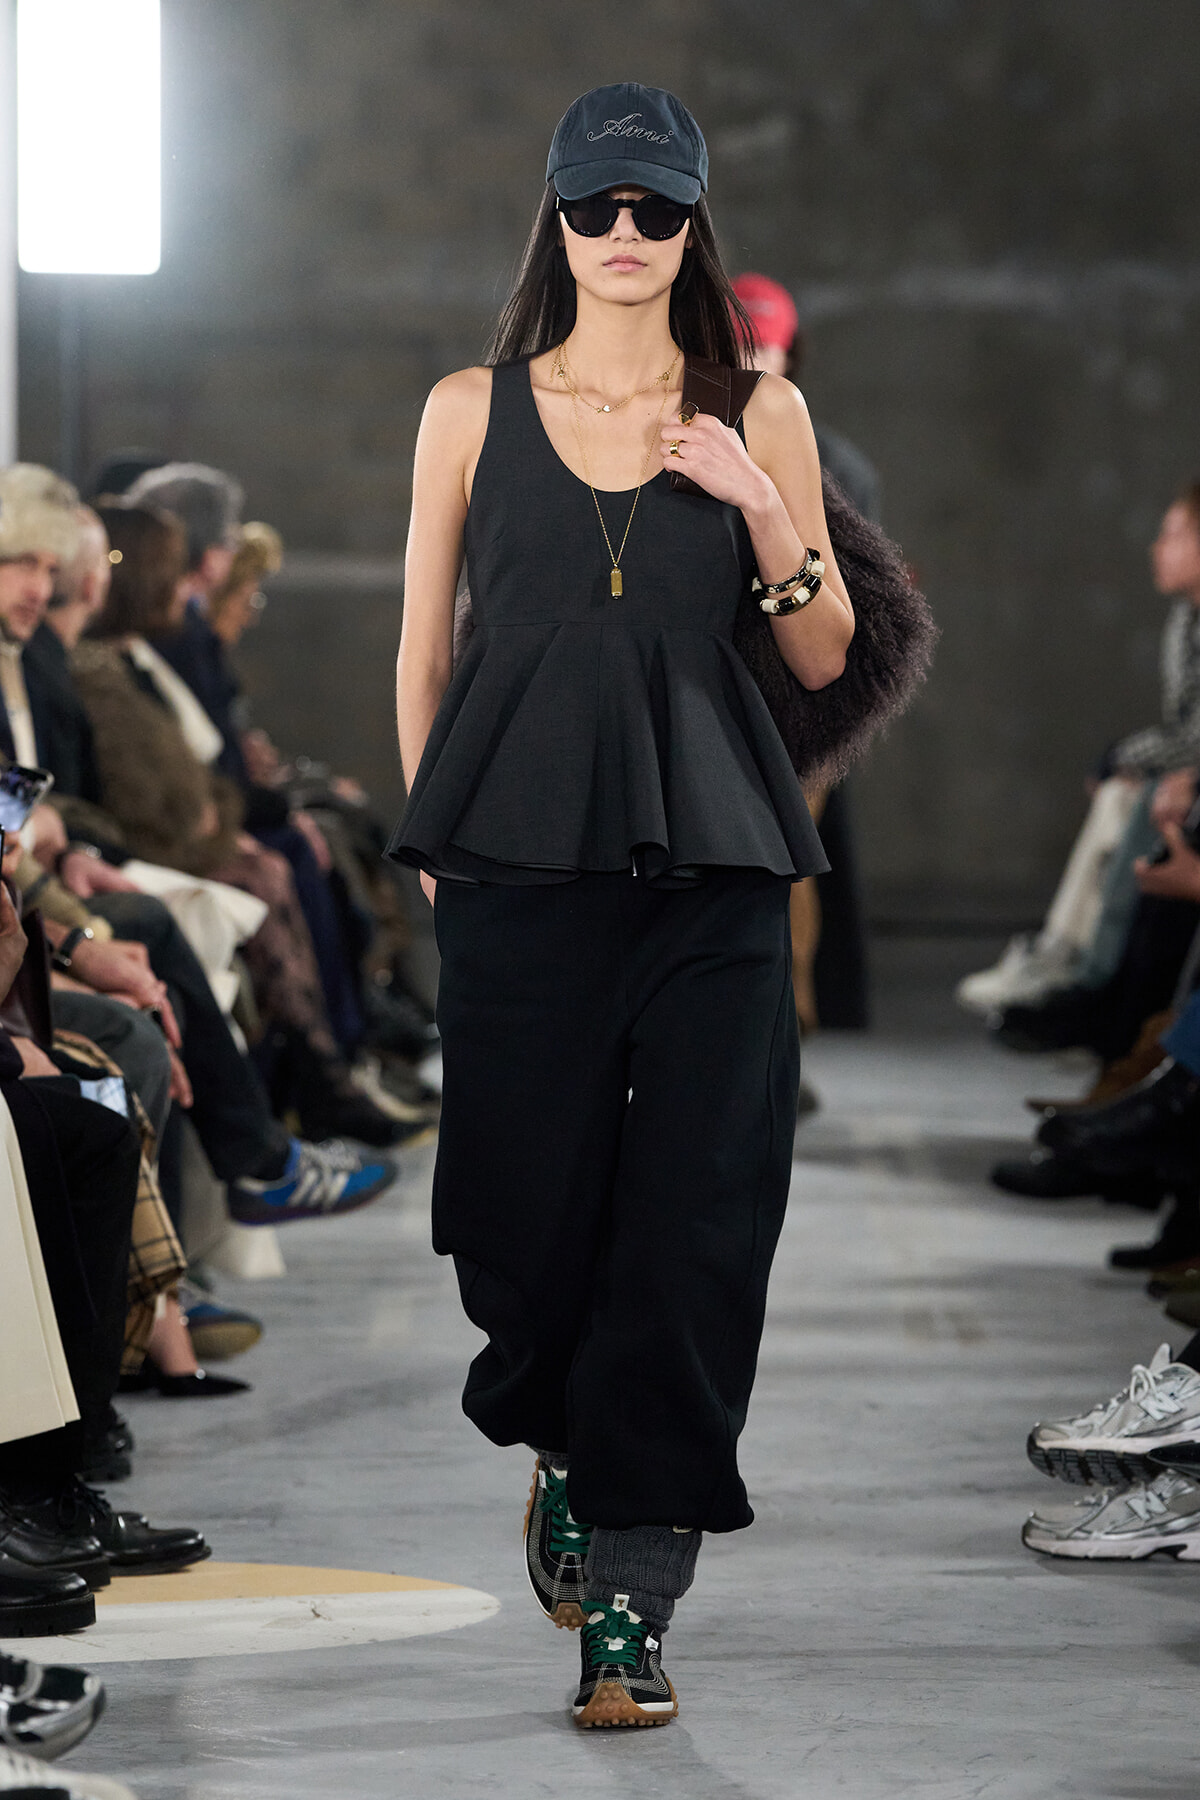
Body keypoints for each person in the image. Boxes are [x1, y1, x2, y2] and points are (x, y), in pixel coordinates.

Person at [390, 82, 854, 1729]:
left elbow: (821, 653)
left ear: (694, 219)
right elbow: (426, 648)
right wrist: (436, 823)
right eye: (601, 208)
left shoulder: (761, 407)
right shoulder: (466, 406)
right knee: (522, 1222)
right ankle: (564, 1438)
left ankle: (630, 1614)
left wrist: (757, 497)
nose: (631, 238)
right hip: (516, 858)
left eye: (660, 210)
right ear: (559, 218)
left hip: (715, 866)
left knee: (701, 1220)